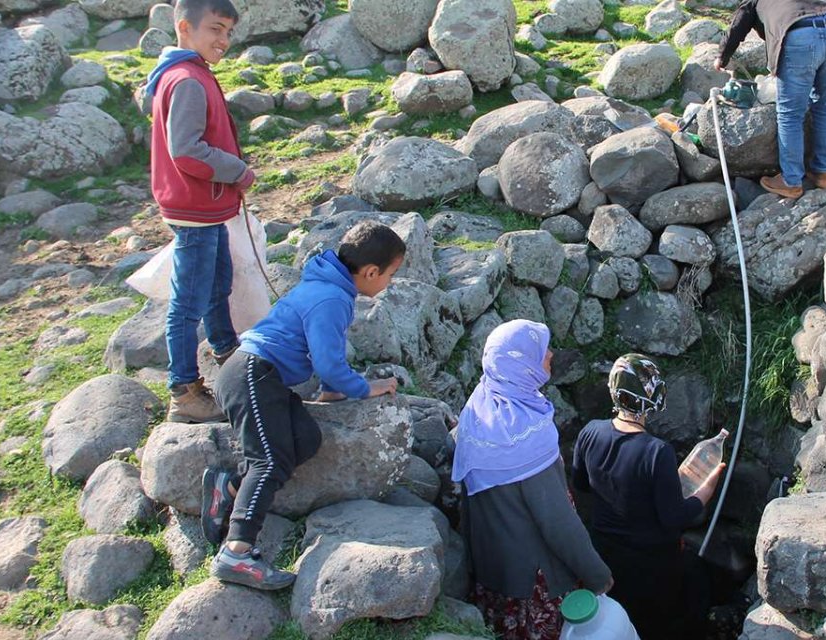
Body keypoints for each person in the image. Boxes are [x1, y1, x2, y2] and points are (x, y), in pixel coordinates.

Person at [200, 221, 405, 589]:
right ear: (372, 272)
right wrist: (363, 388)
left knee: (306, 438)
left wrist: (331, 391)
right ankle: (238, 551)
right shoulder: (332, 299)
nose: (389, 282)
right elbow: (328, 362)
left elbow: (324, 348)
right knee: (269, 460)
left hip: (266, 379)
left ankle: (227, 487)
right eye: (391, 274)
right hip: (252, 374)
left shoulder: (329, 286)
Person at [453, 320, 613, 640]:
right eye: (540, 351)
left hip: (495, 575)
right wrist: (598, 576)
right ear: (520, 364)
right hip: (534, 583)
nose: (550, 354)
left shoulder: (481, 408)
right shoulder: (526, 441)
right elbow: (558, 523)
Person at [147, 0, 256, 423]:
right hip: (196, 207)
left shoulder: (185, 73)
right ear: (184, 27)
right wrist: (237, 171)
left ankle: (228, 351)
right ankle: (184, 391)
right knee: (189, 301)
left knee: (217, 284)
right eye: (215, 29)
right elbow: (187, 149)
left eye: (228, 32)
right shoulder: (188, 79)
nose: (223, 40)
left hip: (203, 205)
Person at [572, 354, 726, 639]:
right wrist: (706, 489)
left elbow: (581, 485)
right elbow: (674, 518)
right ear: (652, 397)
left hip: (604, 555)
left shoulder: (590, 432)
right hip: (652, 564)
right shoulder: (657, 451)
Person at [717, 0, 826, 199]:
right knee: (824, 105)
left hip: (799, 34)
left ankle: (791, 181)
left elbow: (740, 21)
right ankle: (822, 172)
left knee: (790, 113)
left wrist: (722, 56)